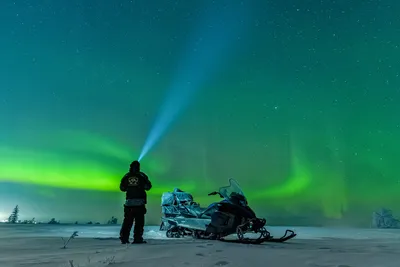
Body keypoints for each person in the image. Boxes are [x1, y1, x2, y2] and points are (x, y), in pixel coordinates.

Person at [119, 160, 152, 244]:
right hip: (139, 203)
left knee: (127, 222)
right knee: (139, 222)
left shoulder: (126, 176)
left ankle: (124, 238)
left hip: (129, 203)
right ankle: (137, 239)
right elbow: (148, 187)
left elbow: (122, 188)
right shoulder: (142, 175)